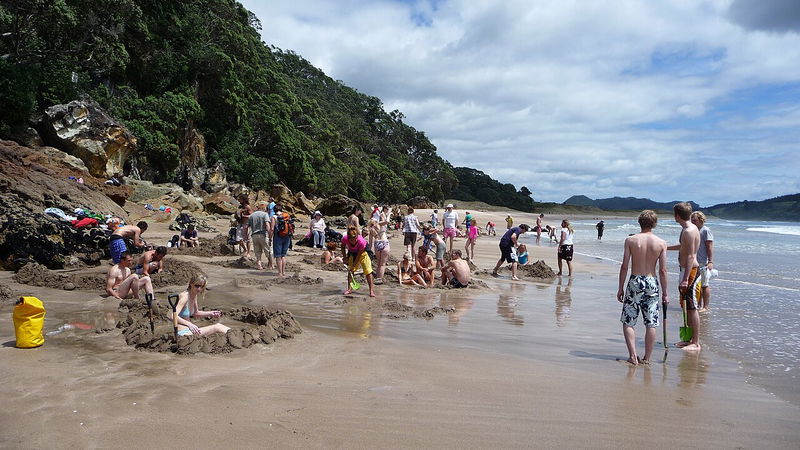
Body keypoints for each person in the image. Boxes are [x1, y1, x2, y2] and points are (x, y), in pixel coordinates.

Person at [616, 210, 669, 365]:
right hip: (652, 282)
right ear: (654, 224)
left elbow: (625, 266)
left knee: (628, 320)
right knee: (651, 322)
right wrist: (665, 293)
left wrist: (620, 287)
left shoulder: (631, 240)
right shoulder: (661, 243)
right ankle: (647, 358)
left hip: (635, 281)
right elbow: (663, 270)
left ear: (639, 222)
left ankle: (633, 356)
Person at [667, 202, 702, 351]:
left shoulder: (688, 231)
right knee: (687, 307)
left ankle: (696, 342)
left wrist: (686, 278)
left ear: (677, 215)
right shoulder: (688, 229)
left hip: (691, 271)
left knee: (692, 307)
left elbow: (690, 256)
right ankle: (687, 339)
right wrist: (665, 247)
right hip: (686, 270)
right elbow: (683, 247)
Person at [341, 225, 376, 296]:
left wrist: (354, 265)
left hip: (364, 253)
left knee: (368, 271)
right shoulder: (345, 238)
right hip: (352, 252)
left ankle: (371, 291)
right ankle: (349, 289)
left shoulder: (361, 241)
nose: (353, 242)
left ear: (357, 236)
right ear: (348, 238)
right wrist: (345, 258)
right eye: (351, 240)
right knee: (350, 271)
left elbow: (359, 255)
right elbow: (342, 247)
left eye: (355, 239)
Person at [691, 212, 714, 312]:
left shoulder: (705, 230)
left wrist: (710, 261)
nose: (692, 221)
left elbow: (709, 246)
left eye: (694, 220)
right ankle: (698, 304)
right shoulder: (693, 230)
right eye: (691, 220)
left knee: (704, 284)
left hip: (703, 262)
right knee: (696, 285)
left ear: (701, 220)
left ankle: (705, 306)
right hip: (694, 261)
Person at [271, 204, 293, 277]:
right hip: (287, 236)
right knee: (283, 255)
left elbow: (272, 229)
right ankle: (283, 272)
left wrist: (270, 237)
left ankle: (280, 273)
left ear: (274, 210)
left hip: (278, 237)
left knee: (278, 255)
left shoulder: (274, 217)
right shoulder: (287, 216)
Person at [249, 202, 271, 270]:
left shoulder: (252, 215)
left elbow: (248, 226)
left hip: (254, 235)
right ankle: (270, 265)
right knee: (267, 251)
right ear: (264, 208)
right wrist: (270, 234)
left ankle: (259, 265)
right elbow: (267, 225)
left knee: (257, 252)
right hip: (263, 234)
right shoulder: (265, 214)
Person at [374, 206, 391, 282]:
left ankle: (377, 278)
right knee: (382, 264)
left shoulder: (374, 224)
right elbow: (387, 221)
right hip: (384, 241)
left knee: (379, 263)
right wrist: (389, 214)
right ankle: (379, 279)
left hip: (377, 242)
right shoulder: (380, 223)